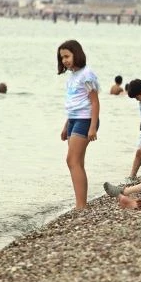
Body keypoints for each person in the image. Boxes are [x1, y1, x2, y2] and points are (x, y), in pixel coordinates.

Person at [57, 39, 100, 210]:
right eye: (62, 58)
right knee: (77, 162)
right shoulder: (72, 76)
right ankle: (81, 203)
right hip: (74, 119)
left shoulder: (87, 74)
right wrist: (66, 125)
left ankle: (81, 206)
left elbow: (95, 102)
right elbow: (74, 104)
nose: (64, 60)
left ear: (77, 54)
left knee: (72, 160)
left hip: (86, 120)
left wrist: (92, 126)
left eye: (67, 56)